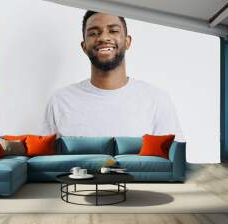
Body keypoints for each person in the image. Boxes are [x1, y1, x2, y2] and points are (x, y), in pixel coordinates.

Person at [41, 11, 184, 141]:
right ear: (84, 46)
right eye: (93, 33)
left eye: (113, 30)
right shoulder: (60, 101)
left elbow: (173, 163)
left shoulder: (156, 100)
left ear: (127, 42)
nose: (103, 37)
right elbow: (45, 164)